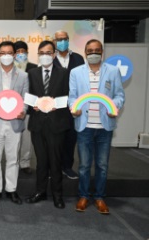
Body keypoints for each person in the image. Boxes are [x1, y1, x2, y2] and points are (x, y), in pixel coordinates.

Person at [69, 39, 125, 214]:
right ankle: (84, 196)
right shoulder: (76, 72)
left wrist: (114, 107)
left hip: (104, 126)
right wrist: (74, 108)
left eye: (96, 50)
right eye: (90, 50)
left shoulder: (113, 71)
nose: (93, 53)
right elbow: (72, 96)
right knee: (84, 165)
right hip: (84, 125)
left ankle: (100, 197)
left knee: (102, 165)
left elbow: (119, 96)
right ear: (85, 53)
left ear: (102, 52)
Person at [26, 40, 70, 209]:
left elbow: (68, 97)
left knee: (55, 161)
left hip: (56, 124)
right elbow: (27, 96)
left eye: (48, 52)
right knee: (41, 161)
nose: (45, 56)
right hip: (37, 124)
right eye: (41, 53)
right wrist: (32, 106)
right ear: (38, 55)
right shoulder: (32, 73)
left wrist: (55, 105)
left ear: (54, 54)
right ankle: (40, 192)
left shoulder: (64, 73)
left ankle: (57, 195)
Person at [0, 41, 28, 205]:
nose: (6, 56)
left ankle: (11, 190)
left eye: (9, 53)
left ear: (15, 55)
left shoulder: (23, 75)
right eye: (2, 53)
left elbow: (25, 99)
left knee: (13, 159)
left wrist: (23, 111)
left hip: (14, 123)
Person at [53, 30, 85, 180]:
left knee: (71, 138)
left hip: (74, 105)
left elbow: (83, 80)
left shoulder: (78, 58)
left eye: (64, 39)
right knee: (55, 139)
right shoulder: (50, 58)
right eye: (58, 39)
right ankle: (54, 168)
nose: (62, 42)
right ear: (54, 42)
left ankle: (67, 167)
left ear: (68, 39)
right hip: (55, 105)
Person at [14, 40, 37, 175]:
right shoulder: (10, 67)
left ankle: (25, 163)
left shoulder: (34, 67)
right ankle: (14, 162)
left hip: (28, 108)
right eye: (18, 52)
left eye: (23, 51)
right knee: (14, 138)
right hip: (12, 109)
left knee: (27, 138)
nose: (21, 54)